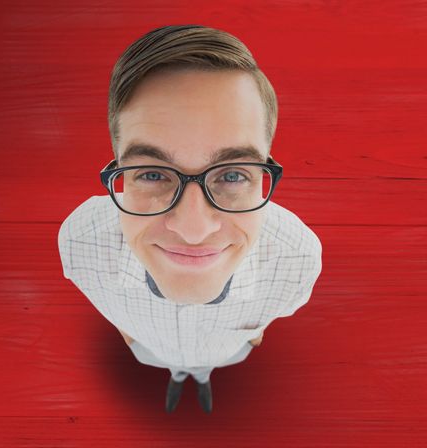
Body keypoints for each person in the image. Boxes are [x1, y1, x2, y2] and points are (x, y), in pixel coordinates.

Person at [57, 25, 322, 414]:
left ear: (263, 172)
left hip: (224, 355)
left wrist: (249, 339)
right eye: (152, 174)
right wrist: (131, 337)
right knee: (173, 370)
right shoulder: (81, 243)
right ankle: (178, 378)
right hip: (149, 352)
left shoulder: (296, 258)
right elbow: (104, 304)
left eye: (232, 175)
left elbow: (269, 319)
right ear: (119, 172)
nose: (193, 230)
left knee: (204, 371)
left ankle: (201, 379)